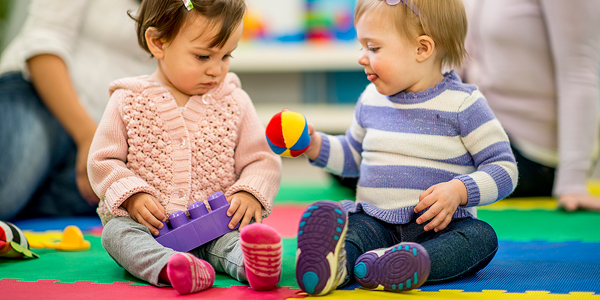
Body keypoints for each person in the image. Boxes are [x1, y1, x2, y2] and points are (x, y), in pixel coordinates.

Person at [293, 0, 518, 295]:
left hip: (438, 228)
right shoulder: (370, 100)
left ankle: (396, 266)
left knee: (480, 237)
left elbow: (504, 168)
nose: (362, 57)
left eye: (373, 48)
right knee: (352, 233)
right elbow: (353, 156)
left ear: (422, 49)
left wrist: (459, 191)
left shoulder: (464, 105)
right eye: (361, 47)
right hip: (374, 220)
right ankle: (336, 267)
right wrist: (313, 145)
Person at [87, 0, 283, 295]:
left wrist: (249, 191)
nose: (217, 70)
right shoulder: (127, 100)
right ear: (158, 42)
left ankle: (255, 265)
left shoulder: (234, 101)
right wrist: (132, 194)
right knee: (116, 234)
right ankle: (171, 267)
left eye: (226, 55)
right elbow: (104, 160)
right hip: (149, 229)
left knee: (235, 241)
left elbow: (261, 159)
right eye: (203, 56)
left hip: (217, 226)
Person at [0, 0, 155, 220]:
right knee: (6, 192)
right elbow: (43, 42)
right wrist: (89, 139)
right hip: (38, 95)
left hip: (115, 131)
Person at [461, 0, 600, 211]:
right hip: (487, 127)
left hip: (531, 153)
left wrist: (573, 183)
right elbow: (463, 60)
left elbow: (579, 72)